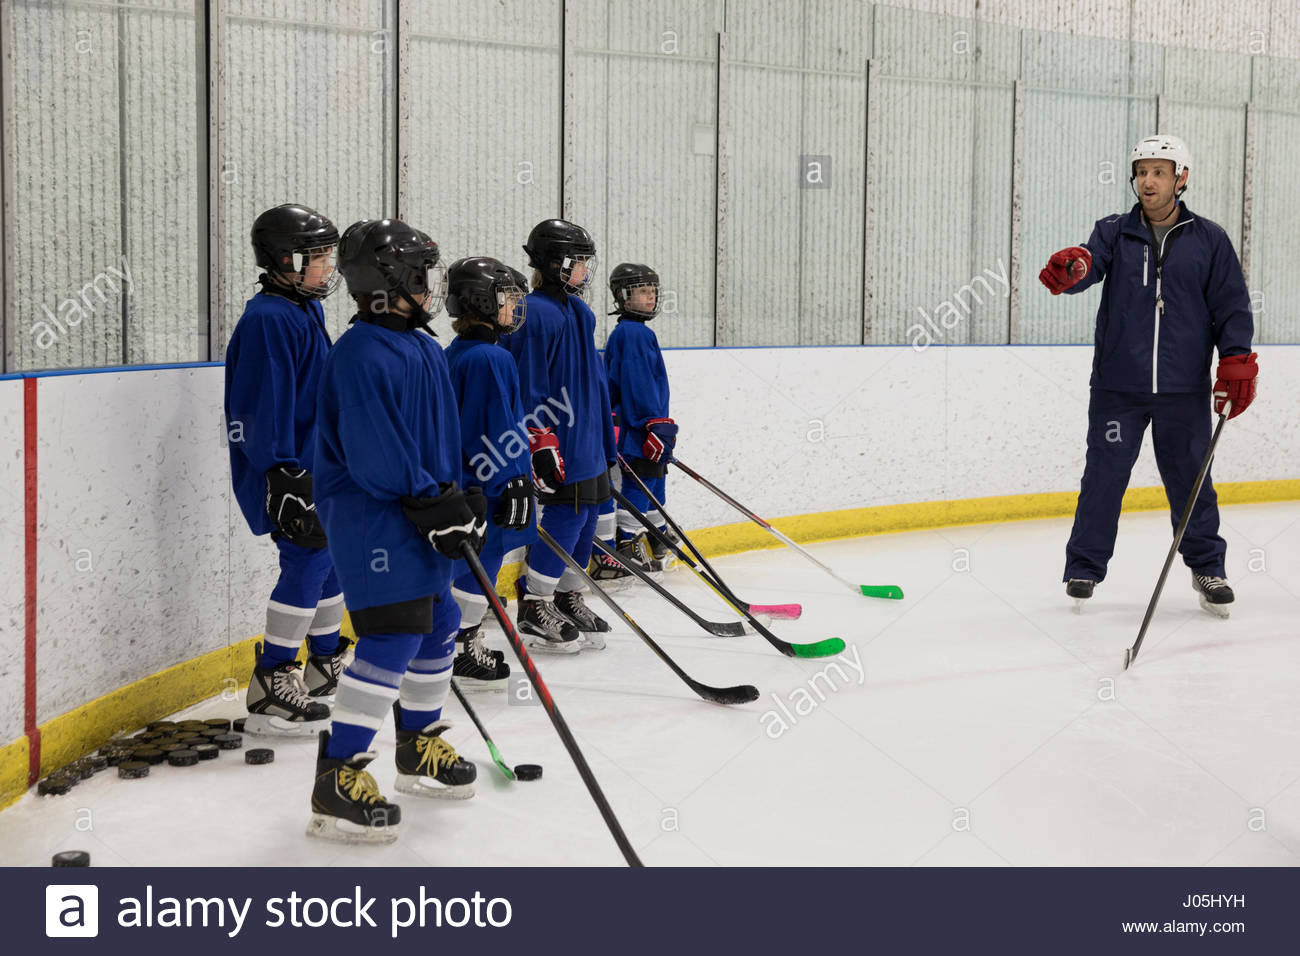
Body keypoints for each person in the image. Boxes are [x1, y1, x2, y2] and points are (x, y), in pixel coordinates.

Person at [307, 218, 483, 844]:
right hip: (373, 516)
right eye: (418, 275)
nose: (428, 286)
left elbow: (442, 438)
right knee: (390, 634)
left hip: (420, 511)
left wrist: (463, 494)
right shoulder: (360, 354)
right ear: (385, 282)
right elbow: (373, 452)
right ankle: (339, 774)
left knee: (437, 624)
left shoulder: (423, 348)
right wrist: (430, 497)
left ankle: (418, 744)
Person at [1039, 134, 1258, 617]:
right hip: (1119, 387)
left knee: (1192, 480)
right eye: (1141, 172)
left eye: (1159, 172)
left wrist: (1236, 361)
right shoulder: (1114, 231)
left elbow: (1231, 307)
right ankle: (1084, 566)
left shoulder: (1209, 239)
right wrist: (1073, 269)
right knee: (1104, 477)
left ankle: (1208, 567)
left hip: (1183, 389)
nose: (1148, 180)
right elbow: (1088, 264)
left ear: (1181, 178)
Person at [224, 203, 349, 736]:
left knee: (332, 562)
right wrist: (282, 472)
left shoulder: (304, 310)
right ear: (283, 259)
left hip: (318, 465)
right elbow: (257, 404)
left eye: (327, 256)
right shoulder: (267, 318)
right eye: (316, 257)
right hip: (288, 472)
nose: (326, 267)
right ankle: (271, 677)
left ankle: (322, 660)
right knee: (306, 562)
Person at [501, 219, 618, 652]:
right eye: (579, 262)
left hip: (587, 438)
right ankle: (535, 603)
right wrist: (538, 437)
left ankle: (567, 596)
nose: (585, 271)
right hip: (561, 439)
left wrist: (607, 439)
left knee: (588, 519)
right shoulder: (533, 313)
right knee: (567, 517)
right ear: (555, 263)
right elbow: (528, 383)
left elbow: (594, 383)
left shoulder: (580, 312)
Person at [443, 258, 535, 688]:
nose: (515, 306)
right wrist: (512, 480)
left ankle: (457, 640)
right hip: (487, 487)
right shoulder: (489, 358)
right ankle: (461, 645)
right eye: (508, 298)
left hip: (465, 483)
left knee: (469, 562)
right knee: (484, 561)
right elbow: (494, 426)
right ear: (482, 300)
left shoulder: (459, 352)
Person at [597, 263, 678, 573]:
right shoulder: (632, 333)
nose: (651, 297)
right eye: (643, 291)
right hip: (638, 429)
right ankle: (627, 540)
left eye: (653, 291)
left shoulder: (636, 331)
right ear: (623, 295)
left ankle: (656, 537)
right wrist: (652, 422)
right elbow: (636, 382)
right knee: (640, 484)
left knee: (654, 484)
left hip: (648, 427)